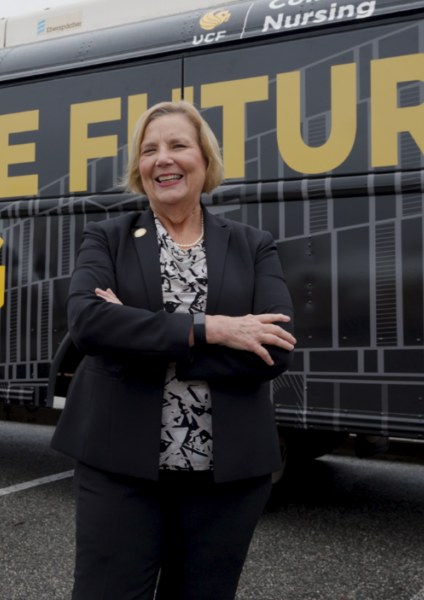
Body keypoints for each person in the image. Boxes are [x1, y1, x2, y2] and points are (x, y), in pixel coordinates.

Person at [51, 101, 296, 600]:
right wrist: (214, 329)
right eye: (149, 150)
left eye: (178, 145)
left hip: (226, 479)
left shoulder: (253, 245)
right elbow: (89, 325)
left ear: (204, 160)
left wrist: (138, 332)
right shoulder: (107, 237)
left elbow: (274, 350)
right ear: (139, 170)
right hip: (119, 467)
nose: (162, 158)